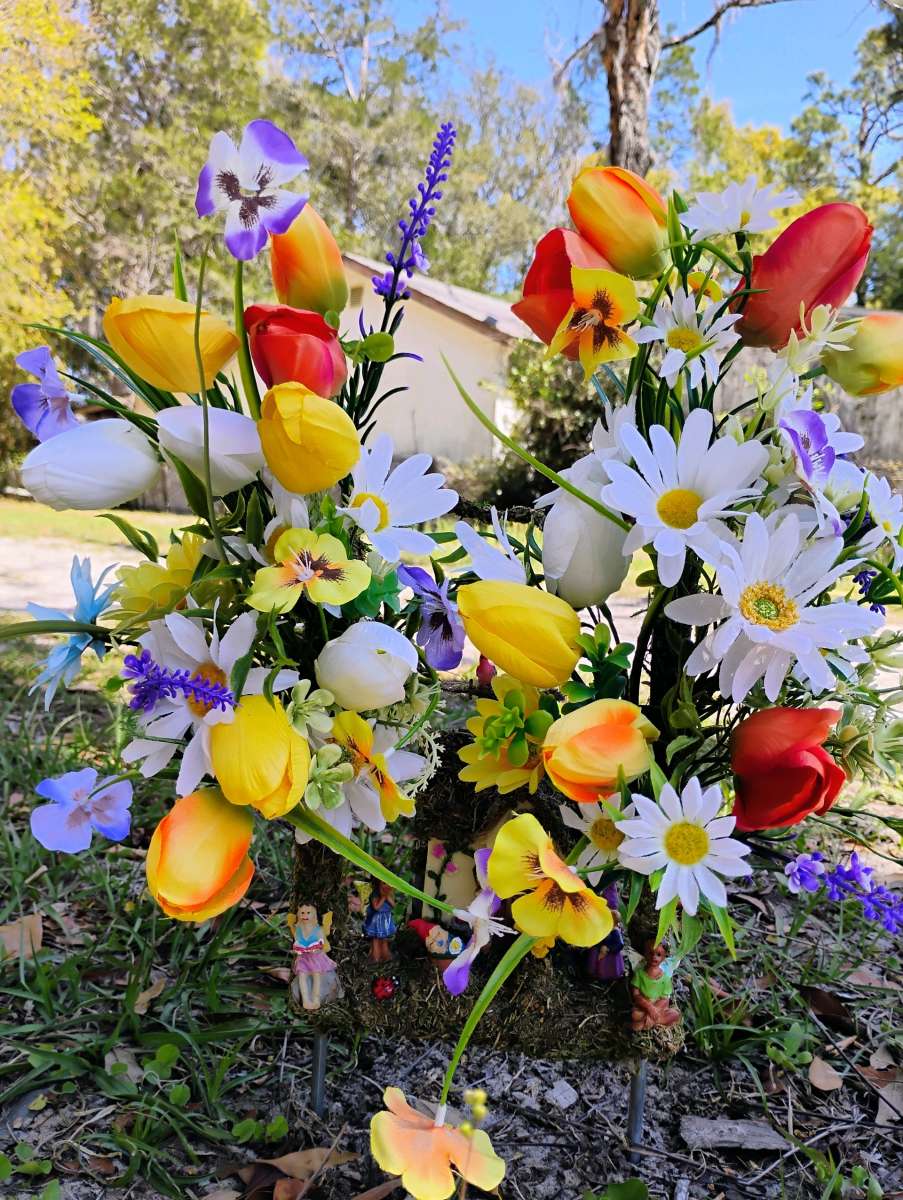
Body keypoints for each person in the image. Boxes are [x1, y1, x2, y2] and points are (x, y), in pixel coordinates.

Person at [292, 904, 338, 1011]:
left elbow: (322, 942)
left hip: (315, 957)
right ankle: (306, 1000)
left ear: (314, 915)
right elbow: (297, 941)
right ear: (299, 915)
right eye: (302, 913)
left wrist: (316, 948)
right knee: (302, 977)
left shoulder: (317, 929)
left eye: (308, 913)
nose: (305, 915)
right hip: (303, 958)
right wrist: (298, 948)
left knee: (316, 976)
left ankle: (316, 999)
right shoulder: (298, 929)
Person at [630, 940, 681, 1032]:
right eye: (650, 953)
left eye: (658, 954)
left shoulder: (665, 978)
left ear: (664, 957)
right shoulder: (639, 974)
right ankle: (653, 1021)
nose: (654, 957)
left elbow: (665, 999)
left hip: (659, 1009)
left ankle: (649, 1022)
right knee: (635, 1014)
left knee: (674, 1014)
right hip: (643, 1007)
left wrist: (654, 1011)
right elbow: (636, 995)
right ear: (645, 954)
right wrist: (649, 1007)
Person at [363, 882, 397, 963]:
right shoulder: (375, 894)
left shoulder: (389, 894)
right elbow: (376, 907)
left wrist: (388, 897)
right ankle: (376, 956)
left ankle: (385, 955)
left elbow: (394, 905)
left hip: (386, 920)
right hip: (377, 920)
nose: (387, 886)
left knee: (384, 939)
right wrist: (383, 898)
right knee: (376, 939)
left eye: (388, 883)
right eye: (384, 884)